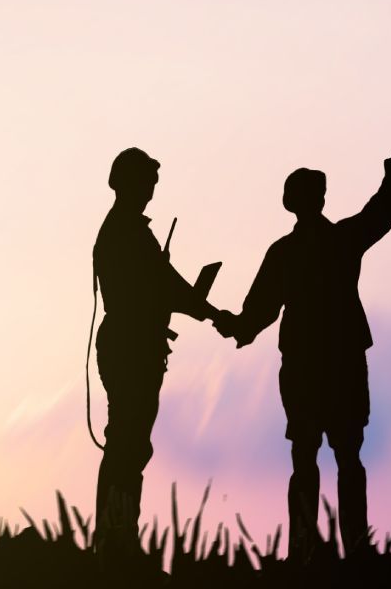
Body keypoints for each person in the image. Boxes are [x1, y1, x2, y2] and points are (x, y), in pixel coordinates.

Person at [231, 146, 391, 562]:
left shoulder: (285, 252)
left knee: (306, 457)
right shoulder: (341, 241)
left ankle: (303, 550)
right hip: (340, 362)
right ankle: (354, 548)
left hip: (305, 366)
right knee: (347, 455)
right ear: (320, 199)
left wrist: (235, 327)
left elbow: (257, 311)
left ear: (291, 203)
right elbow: (377, 216)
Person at [91, 147, 231, 565]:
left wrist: (186, 306)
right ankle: (116, 538)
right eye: (146, 182)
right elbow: (165, 286)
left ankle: (117, 535)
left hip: (131, 344)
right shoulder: (128, 232)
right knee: (126, 443)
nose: (150, 191)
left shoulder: (124, 230)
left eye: (152, 184)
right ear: (126, 183)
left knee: (128, 442)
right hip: (130, 348)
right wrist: (211, 312)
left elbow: (160, 288)